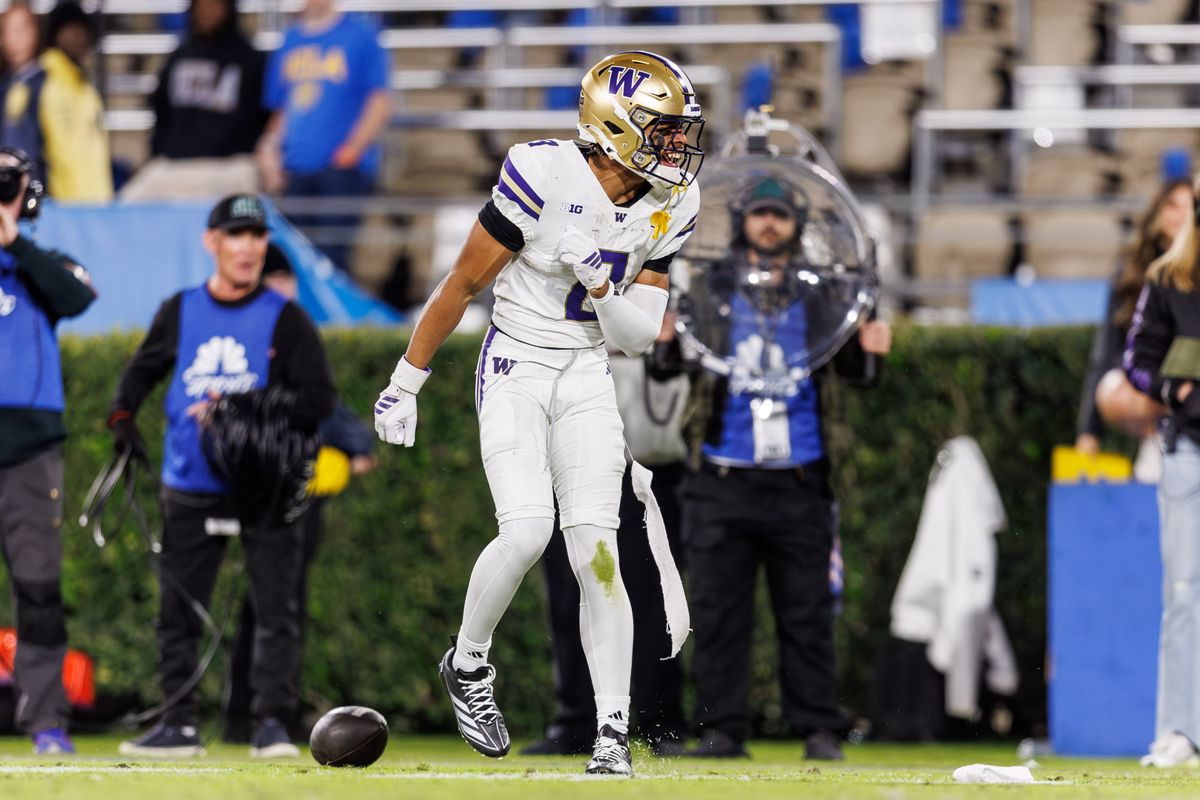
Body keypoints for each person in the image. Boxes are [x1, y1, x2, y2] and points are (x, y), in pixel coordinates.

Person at [373, 51, 704, 776]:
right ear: (615, 127)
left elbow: (638, 337)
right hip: (518, 361)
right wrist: (407, 379)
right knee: (526, 531)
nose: (678, 146)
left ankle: (612, 735)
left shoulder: (674, 200)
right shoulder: (544, 172)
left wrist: (603, 286)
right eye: (664, 129)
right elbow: (462, 282)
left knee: (599, 552)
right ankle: (468, 663)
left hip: (589, 369)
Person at [109, 194, 336, 758]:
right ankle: (178, 723)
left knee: (276, 611)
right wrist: (122, 418)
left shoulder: (286, 318)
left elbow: (318, 399)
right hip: (190, 483)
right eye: (236, 235)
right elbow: (140, 372)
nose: (248, 248)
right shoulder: (180, 310)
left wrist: (236, 408)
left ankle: (270, 725)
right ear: (211, 243)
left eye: (257, 236)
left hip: (262, 490)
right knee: (176, 611)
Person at [675, 175, 892, 761]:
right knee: (719, 613)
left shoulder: (826, 295)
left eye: (780, 214)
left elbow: (856, 376)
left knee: (808, 612)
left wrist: (873, 348)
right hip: (722, 475)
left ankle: (819, 728)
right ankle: (721, 729)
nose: (769, 224)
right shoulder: (708, 289)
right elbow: (670, 369)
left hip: (800, 477)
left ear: (797, 223)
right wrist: (665, 340)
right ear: (742, 218)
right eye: (759, 212)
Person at [222, 243, 376, 743]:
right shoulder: (268, 332)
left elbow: (319, 400)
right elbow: (315, 406)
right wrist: (353, 442)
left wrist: (351, 441)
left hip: (283, 488)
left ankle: (247, 714)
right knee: (275, 606)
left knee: (269, 605)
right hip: (272, 490)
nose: (286, 291)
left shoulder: (282, 330)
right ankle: (264, 715)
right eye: (278, 281)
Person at [522, 314, 690, 757]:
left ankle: (659, 720)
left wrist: (654, 339)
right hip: (572, 468)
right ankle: (576, 719)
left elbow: (675, 409)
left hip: (644, 473)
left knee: (650, 599)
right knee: (571, 596)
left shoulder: (656, 285)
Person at [0, 147, 95, 754]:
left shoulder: (42, 262)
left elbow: (77, 296)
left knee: (37, 587)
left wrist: (14, 242)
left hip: (30, 449)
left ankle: (46, 722)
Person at [1127, 182, 1200, 769]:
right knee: (1184, 594)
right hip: (1190, 453)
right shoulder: (1170, 280)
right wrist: (1174, 390)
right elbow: (1136, 360)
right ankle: (1178, 730)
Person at [257, 0, 389, 273]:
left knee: (333, 257)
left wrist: (354, 148)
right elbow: (281, 107)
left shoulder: (360, 34)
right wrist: (269, 149)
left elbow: (379, 99)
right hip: (295, 166)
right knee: (294, 259)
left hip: (340, 166)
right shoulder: (290, 40)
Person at [1076, 180, 1192, 461]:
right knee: (1119, 389)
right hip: (1149, 382)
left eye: (1191, 207)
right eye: (1173, 205)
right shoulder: (1132, 273)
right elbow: (1108, 354)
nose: (1181, 216)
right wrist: (1089, 432)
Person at [120, 0, 268, 200]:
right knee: (130, 199)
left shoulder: (250, 59)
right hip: (174, 166)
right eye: (202, 6)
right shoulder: (179, 56)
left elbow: (262, 117)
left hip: (229, 166)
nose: (207, 11)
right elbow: (161, 112)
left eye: (214, 5)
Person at [5, 1, 112, 202]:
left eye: (81, 31)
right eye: (69, 30)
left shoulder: (85, 87)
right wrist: (35, 200)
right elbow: (22, 154)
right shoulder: (36, 84)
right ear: (55, 34)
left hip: (94, 209)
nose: (77, 38)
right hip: (57, 213)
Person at [0, 3, 46, 184]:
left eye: (22, 29)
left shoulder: (47, 84)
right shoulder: (5, 87)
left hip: (38, 192)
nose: (16, 39)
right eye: (9, 30)